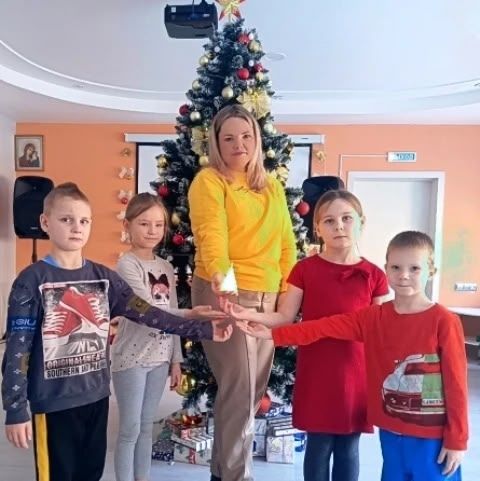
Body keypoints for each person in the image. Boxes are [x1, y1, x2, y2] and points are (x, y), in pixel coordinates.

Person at [1, 182, 232, 481]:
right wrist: (16, 409)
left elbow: (151, 314)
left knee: (91, 474)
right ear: (46, 222)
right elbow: (17, 349)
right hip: (53, 404)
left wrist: (204, 329)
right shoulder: (31, 280)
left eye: (84, 220)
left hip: (96, 397)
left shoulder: (105, 279)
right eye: (66, 219)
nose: (76, 227)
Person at [229, 231, 468, 481]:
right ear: (386, 269)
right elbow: (321, 327)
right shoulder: (373, 318)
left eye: (415, 268)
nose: (404, 275)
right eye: (396, 267)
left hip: (432, 439)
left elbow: (456, 385)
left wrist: (458, 440)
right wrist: (272, 334)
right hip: (391, 433)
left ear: (431, 271)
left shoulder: (444, 321)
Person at [228, 189, 389, 481]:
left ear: (361, 222)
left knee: (349, 447)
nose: (339, 226)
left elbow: (379, 331)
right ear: (317, 228)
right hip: (317, 370)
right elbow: (284, 316)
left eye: (347, 218)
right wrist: (252, 315)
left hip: (355, 372)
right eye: (329, 221)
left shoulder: (375, 275)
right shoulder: (305, 269)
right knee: (318, 445)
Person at [188, 104, 297, 481]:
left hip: (267, 296)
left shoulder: (273, 187)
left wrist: (286, 294)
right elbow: (212, 234)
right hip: (225, 291)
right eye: (229, 138)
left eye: (247, 136)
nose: (240, 144)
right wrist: (223, 282)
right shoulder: (209, 181)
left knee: (252, 390)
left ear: (257, 140)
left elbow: (287, 243)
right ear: (217, 143)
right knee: (241, 389)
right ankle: (237, 475)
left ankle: (222, 473)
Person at [111, 192, 226, 481]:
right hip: (132, 358)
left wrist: (176, 359)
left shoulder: (164, 267)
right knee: (130, 429)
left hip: (159, 358)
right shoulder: (127, 265)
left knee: (146, 427)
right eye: (144, 224)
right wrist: (191, 313)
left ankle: (142, 477)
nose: (152, 231)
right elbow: (148, 310)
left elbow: (171, 320)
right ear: (127, 225)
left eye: (158, 224)